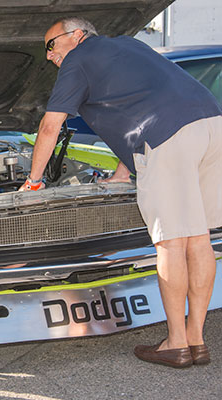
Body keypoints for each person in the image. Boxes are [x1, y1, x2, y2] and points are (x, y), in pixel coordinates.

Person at [20, 16, 222, 368]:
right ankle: (196, 340)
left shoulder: (78, 59)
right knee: (198, 239)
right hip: (211, 125)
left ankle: (176, 344)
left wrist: (34, 181)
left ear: (78, 35)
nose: (50, 56)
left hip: (168, 136)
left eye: (51, 45)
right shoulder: (131, 45)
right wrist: (121, 173)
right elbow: (139, 106)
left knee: (172, 242)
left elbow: (51, 124)